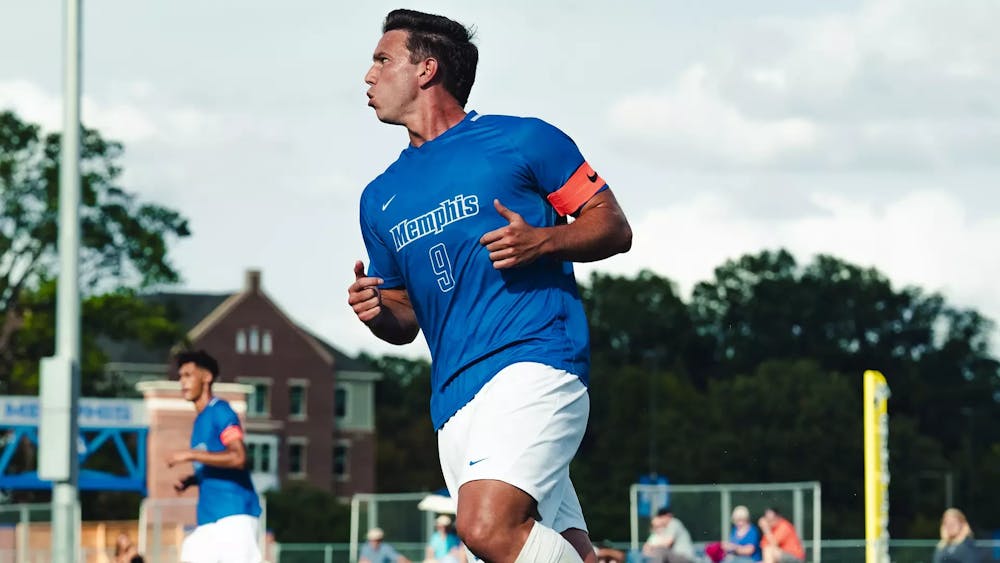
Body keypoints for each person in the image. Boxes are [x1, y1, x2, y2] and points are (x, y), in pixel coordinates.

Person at [348, 8, 631, 563]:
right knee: (555, 548)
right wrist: (377, 310)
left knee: (485, 527)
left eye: (382, 59)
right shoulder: (378, 197)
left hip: (535, 363)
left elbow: (613, 226)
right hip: (453, 403)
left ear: (427, 69)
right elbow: (405, 320)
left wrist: (543, 242)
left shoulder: (524, 140)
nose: (368, 75)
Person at [167, 350, 262, 563]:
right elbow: (215, 462)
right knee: (190, 552)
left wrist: (191, 455)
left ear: (207, 377)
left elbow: (238, 458)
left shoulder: (220, 410)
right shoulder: (199, 421)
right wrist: (192, 480)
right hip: (208, 520)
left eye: (188, 375)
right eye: (180, 376)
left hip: (234, 515)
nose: (182, 382)